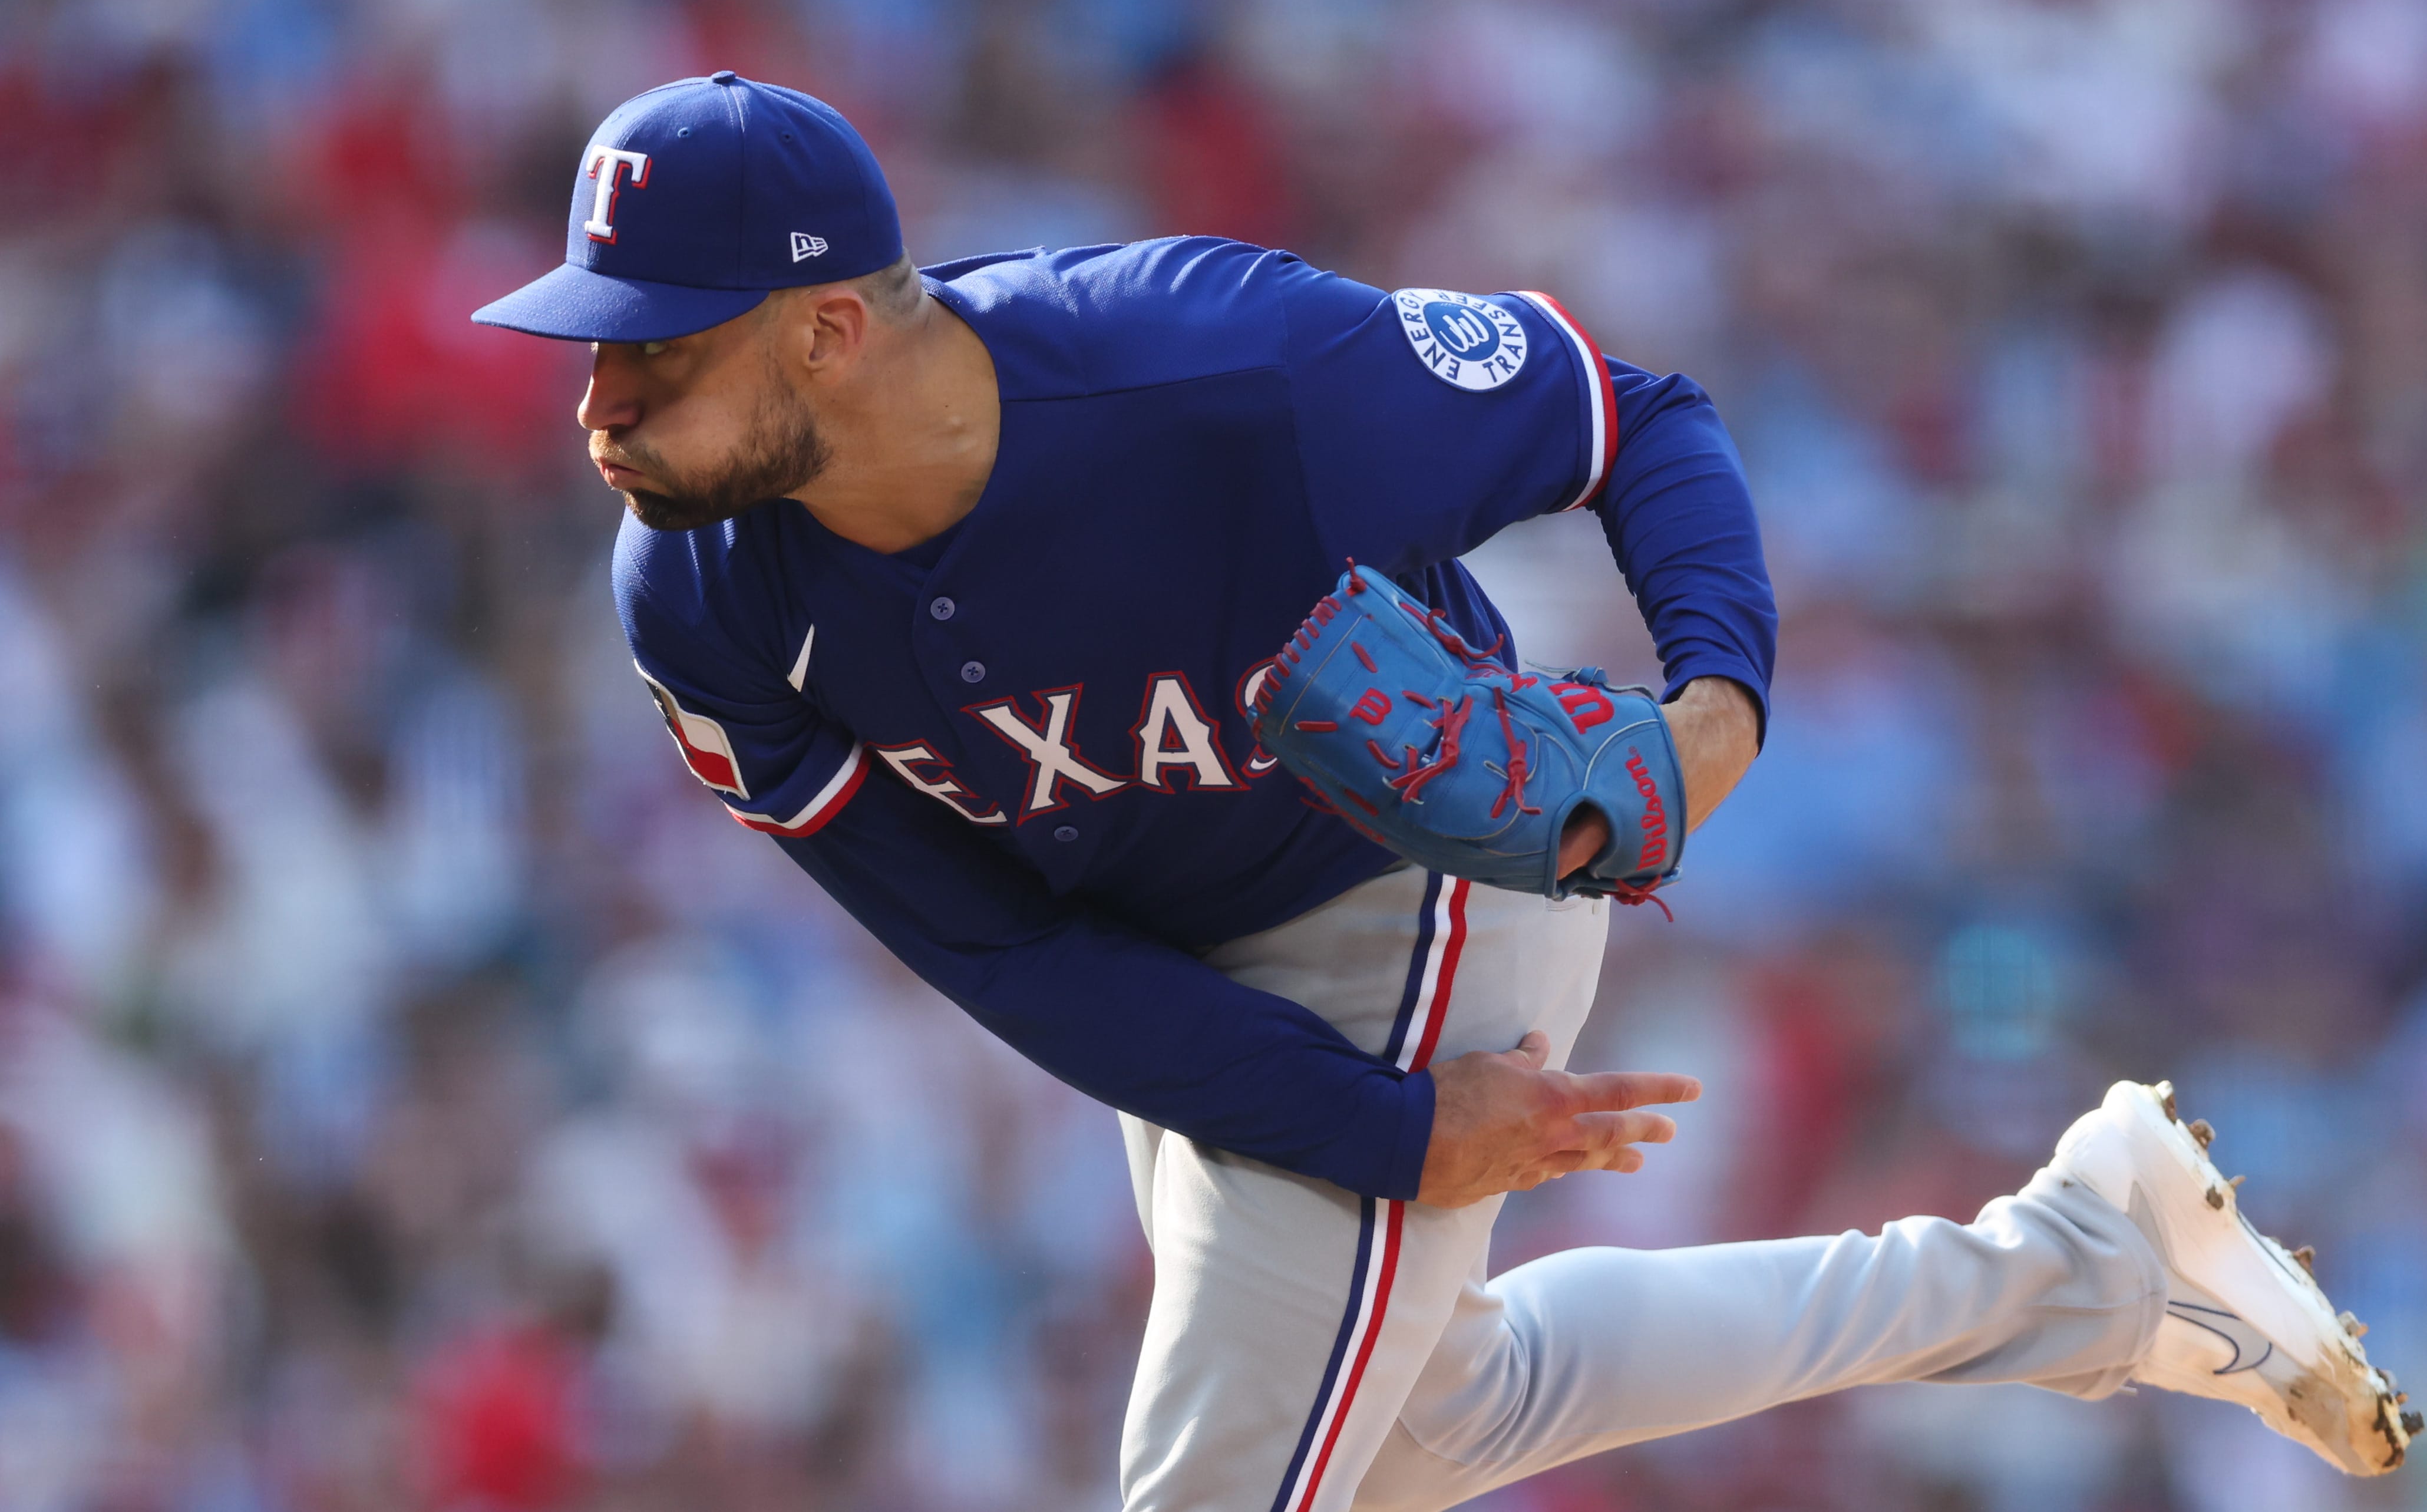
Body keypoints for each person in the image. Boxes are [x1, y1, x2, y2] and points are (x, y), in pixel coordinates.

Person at [474, 72, 2413, 1507]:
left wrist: (1717, 709)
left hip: (1410, 882)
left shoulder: (1217, 374)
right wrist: (1382, 1131)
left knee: (1220, 1481)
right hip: (1175, 963)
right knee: (1431, 1419)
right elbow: (1004, 951)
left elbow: (1628, 415)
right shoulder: (700, 596)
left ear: (830, 328)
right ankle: (2088, 1266)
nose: (597, 403)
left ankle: (2087, 1271)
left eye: (652, 353)